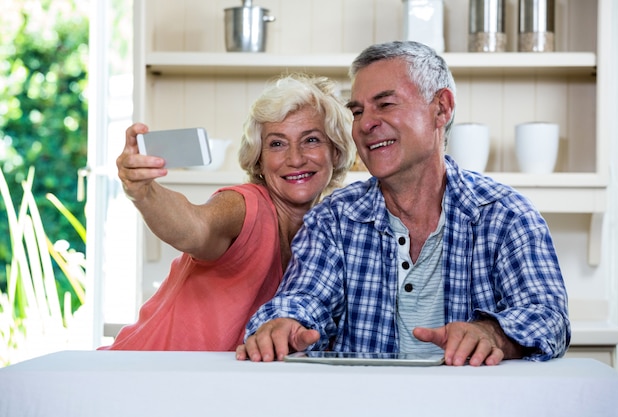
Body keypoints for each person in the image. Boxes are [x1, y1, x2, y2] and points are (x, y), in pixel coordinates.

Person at [236, 41, 571, 366]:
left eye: (385, 104)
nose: (366, 124)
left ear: (441, 108)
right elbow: (305, 299)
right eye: (357, 111)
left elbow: (548, 317)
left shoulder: (506, 215)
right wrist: (284, 324)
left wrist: (493, 334)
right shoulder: (333, 220)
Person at [99, 73, 355, 351]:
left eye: (311, 140)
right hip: (139, 374)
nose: (295, 158)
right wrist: (143, 192)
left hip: (201, 386)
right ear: (258, 160)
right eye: (277, 144)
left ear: (337, 152)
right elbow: (197, 228)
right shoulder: (246, 205)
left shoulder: (325, 235)